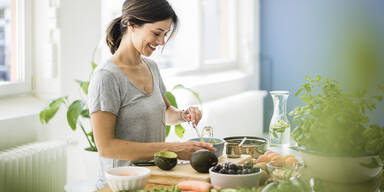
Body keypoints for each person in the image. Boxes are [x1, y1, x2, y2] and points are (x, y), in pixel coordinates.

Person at [88, 0, 215, 189]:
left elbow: (165, 112)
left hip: (153, 177)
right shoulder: (106, 77)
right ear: (131, 25)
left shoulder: (151, 67)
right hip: (121, 184)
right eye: (157, 33)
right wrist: (174, 148)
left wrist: (183, 114)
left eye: (165, 34)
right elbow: (107, 147)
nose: (162, 42)